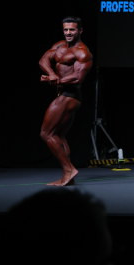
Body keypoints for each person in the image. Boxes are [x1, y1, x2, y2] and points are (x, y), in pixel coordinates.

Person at [38, 17, 93, 186]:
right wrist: (52, 74)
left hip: (70, 96)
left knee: (46, 133)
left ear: (80, 31)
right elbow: (43, 60)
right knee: (59, 135)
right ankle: (68, 176)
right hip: (63, 93)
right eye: (66, 29)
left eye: (72, 30)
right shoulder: (59, 46)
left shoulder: (83, 52)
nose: (68, 33)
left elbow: (77, 78)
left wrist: (55, 80)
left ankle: (69, 169)